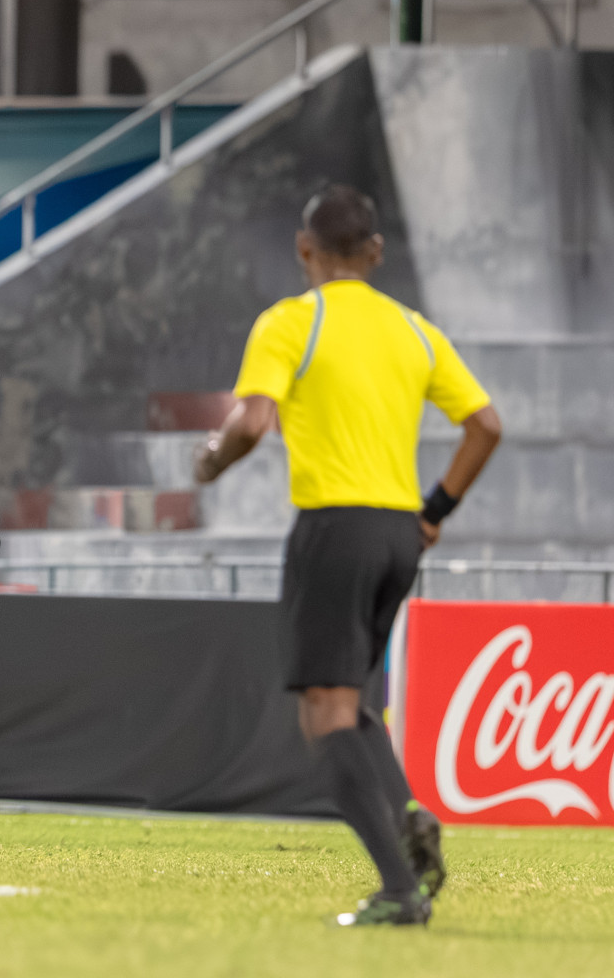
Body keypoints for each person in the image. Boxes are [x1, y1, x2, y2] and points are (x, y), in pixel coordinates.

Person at [194, 184, 501, 927]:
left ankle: (400, 888)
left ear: (305, 250)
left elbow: (253, 423)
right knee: (351, 702)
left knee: (323, 715)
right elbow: (486, 425)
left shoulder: (291, 322)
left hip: (335, 526)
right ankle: (407, 813)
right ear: (376, 253)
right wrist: (436, 512)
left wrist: (211, 460)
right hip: (402, 534)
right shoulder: (415, 330)